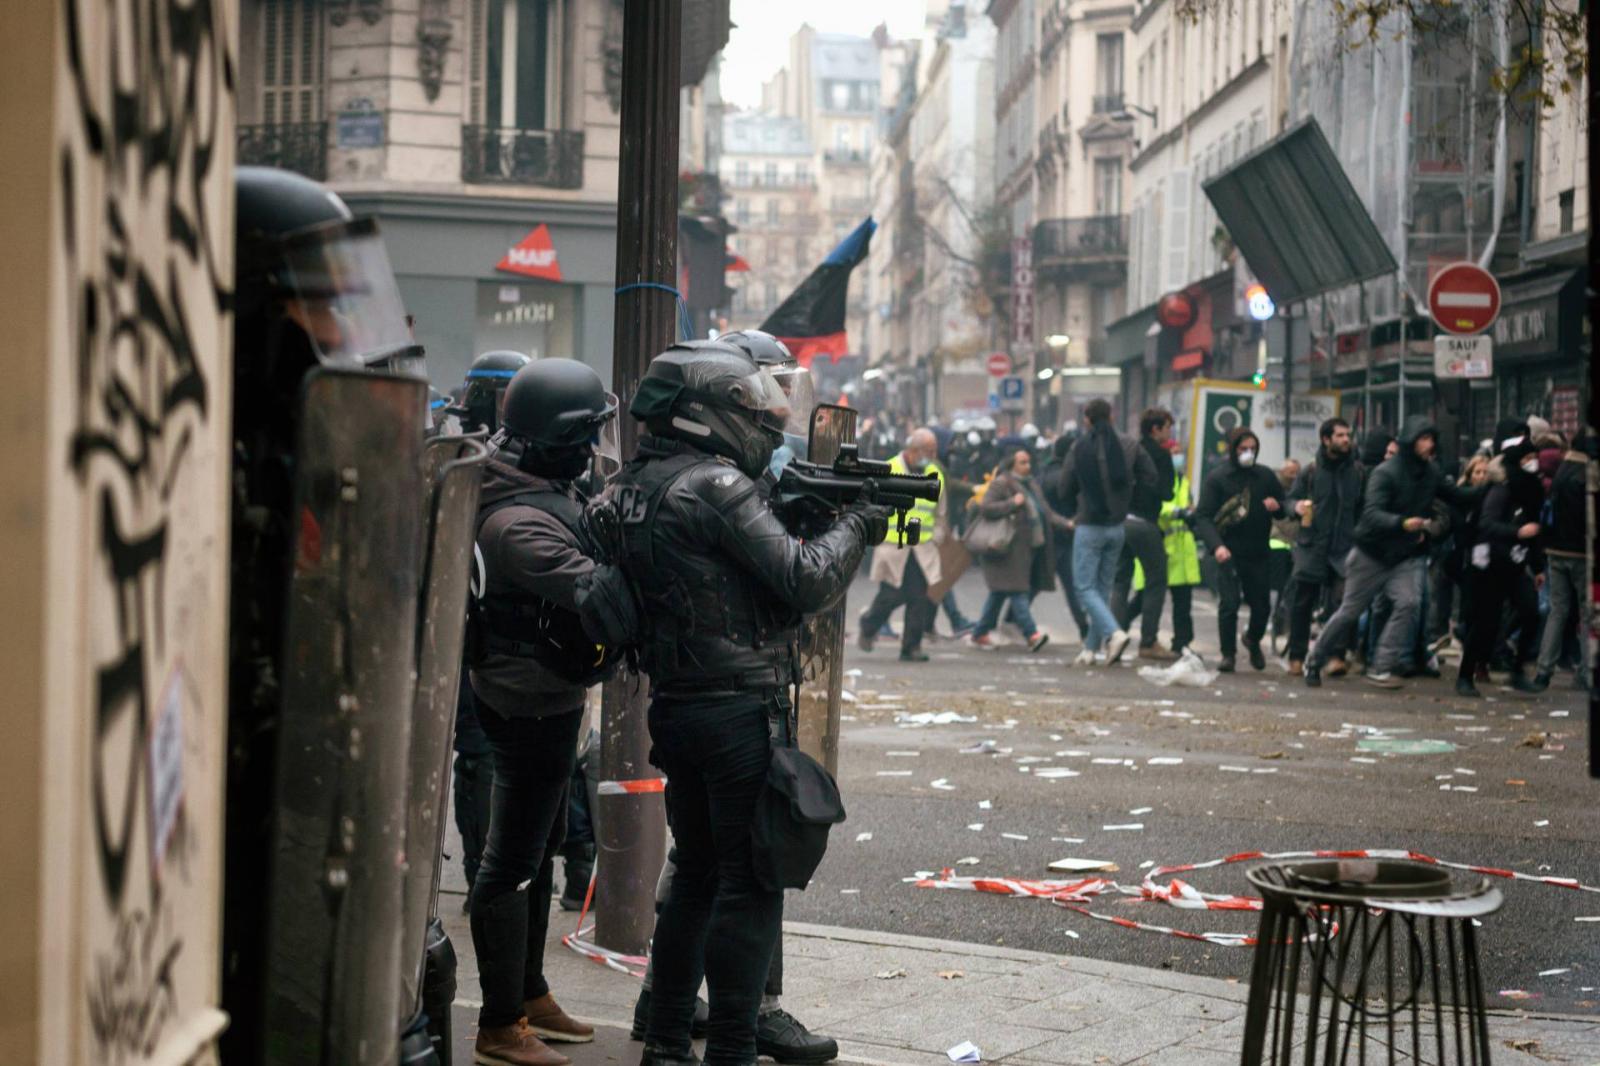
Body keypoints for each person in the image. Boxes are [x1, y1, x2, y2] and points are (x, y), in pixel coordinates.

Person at [614, 342, 889, 1066]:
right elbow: (803, 579)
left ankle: (667, 1042)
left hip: (676, 703)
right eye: (754, 412)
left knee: (699, 873)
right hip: (737, 709)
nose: (767, 427)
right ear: (707, 412)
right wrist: (856, 524)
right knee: (750, 882)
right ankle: (731, 1048)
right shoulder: (714, 485)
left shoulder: (632, 485)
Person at [466, 358, 621, 1066]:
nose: (594, 450)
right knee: (512, 861)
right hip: (524, 698)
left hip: (546, 695)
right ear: (558, 440)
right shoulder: (519, 522)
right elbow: (603, 595)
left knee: (544, 841)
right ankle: (499, 1025)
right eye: (587, 435)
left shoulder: (530, 485)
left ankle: (527, 993)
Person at [1304, 416, 1478, 689]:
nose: (1429, 444)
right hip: (1370, 553)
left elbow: (1457, 496)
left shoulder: (1431, 473)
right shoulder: (1386, 473)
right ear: (1409, 441)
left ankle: (1382, 665)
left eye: (1432, 439)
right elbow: (1372, 514)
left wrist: (1491, 484)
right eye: (1423, 439)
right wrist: (1402, 522)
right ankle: (1314, 660)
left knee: (1409, 603)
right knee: (1350, 611)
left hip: (1403, 555)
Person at [1055, 399, 1155, 665]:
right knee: (1101, 590)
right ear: (1112, 417)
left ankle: (1114, 633)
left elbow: (1064, 487)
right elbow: (1151, 477)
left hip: (1089, 525)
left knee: (1084, 588)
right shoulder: (1130, 444)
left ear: (1087, 420)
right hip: (1117, 527)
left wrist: (1080, 498)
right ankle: (1090, 649)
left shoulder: (1080, 447)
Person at [1456, 427, 1546, 697]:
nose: (1533, 462)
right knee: (1485, 622)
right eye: (1528, 457)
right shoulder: (1501, 489)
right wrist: (1516, 532)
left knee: (1531, 611)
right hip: (1491, 562)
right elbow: (1487, 524)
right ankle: (1465, 675)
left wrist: (1538, 566)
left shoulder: (1531, 489)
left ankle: (1517, 671)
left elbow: (1535, 529)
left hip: (1516, 563)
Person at [1193, 427, 1286, 672]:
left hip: (1258, 552)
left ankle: (1252, 639)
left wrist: (1277, 507)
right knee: (1230, 604)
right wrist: (1217, 546)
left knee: (1262, 606)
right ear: (1234, 450)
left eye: (1253, 449)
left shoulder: (1265, 476)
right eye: (1243, 449)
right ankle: (1228, 655)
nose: (1248, 453)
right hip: (1229, 552)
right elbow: (1203, 516)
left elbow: (1284, 506)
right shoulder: (1218, 478)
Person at [859, 427, 947, 663]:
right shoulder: (890, 469)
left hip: (921, 548)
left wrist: (937, 536)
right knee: (891, 595)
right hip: (893, 546)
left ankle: (911, 647)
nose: (933, 454)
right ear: (914, 450)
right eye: (930, 450)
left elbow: (941, 512)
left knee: (918, 596)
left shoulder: (934, 473)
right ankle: (869, 624)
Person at [1283, 418, 1361, 676]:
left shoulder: (1357, 473)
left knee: (1342, 603)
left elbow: (1364, 508)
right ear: (1326, 440)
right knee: (1303, 601)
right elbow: (1290, 500)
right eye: (1340, 435)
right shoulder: (1311, 471)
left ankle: (1335, 656)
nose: (1346, 439)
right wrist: (1295, 507)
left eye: (1347, 434)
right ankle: (1297, 655)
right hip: (1312, 546)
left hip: (1343, 547)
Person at [968, 449, 1064, 651]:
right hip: (1005, 549)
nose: (1027, 466)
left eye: (1028, 462)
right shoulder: (1002, 483)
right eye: (1022, 462)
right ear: (1012, 464)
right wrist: (1012, 503)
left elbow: (1045, 512)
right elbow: (986, 507)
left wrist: (1068, 524)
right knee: (1018, 591)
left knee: (999, 594)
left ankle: (979, 633)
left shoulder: (1030, 485)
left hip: (1024, 549)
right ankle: (1032, 634)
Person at [1532, 428, 1593, 690]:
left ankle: (1543, 669)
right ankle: (1586, 671)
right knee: (1588, 612)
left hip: (1555, 552)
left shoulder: (1561, 473)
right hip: (1581, 553)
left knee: (1558, 611)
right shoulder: (1587, 475)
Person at [1114, 408, 1177, 661]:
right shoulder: (1160, 455)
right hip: (1145, 522)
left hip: (1122, 521)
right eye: (1167, 427)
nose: (1169, 432)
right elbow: (1166, 492)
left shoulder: (1129, 449)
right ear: (1155, 429)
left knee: (1120, 580)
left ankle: (1114, 636)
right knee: (1156, 580)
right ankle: (1148, 642)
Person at [1131, 439, 1201, 656]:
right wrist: (1178, 512)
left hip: (1181, 551)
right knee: (1143, 601)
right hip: (1161, 548)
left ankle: (1182, 644)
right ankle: (1116, 629)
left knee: (1183, 604)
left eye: (1180, 453)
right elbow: (1158, 507)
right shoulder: (1157, 479)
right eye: (1174, 453)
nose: (1178, 457)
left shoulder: (1183, 480)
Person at [1041, 431, 1091, 642]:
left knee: (1035, 584)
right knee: (1073, 587)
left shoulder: (1044, 472)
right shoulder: (1066, 475)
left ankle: (1012, 621)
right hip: (1064, 536)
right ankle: (1084, 629)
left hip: (1047, 538)